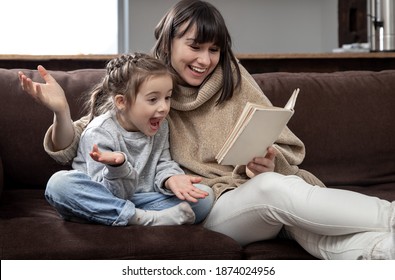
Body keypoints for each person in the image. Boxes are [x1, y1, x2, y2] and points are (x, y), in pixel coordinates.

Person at [19, 0, 394, 259]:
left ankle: (382, 250)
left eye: (214, 49)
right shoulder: (140, 83)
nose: (205, 60)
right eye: (195, 46)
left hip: (237, 194)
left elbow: (284, 146)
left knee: (295, 212)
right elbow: (77, 149)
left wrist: (265, 160)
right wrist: (60, 111)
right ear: (168, 41)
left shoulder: (232, 76)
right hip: (208, 204)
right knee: (276, 193)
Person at [19, 52, 215, 226]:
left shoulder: (160, 125)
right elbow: (108, 193)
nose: (163, 107)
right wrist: (118, 166)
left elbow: (163, 162)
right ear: (122, 102)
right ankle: (143, 219)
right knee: (58, 185)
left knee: (204, 197)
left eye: (168, 97)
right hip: (104, 197)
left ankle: (113, 217)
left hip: (141, 199)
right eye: (153, 99)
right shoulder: (100, 131)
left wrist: (171, 178)